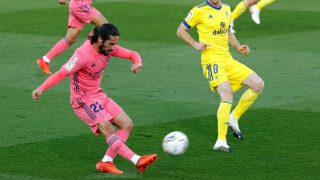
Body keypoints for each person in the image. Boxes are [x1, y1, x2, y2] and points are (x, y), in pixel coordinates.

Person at [32, 24, 157, 174]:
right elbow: (61, 73)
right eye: (111, 44)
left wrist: (137, 62)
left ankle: (106, 162)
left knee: (126, 124)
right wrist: (41, 88)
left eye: (115, 44)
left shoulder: (108, 49)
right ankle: (137, 160)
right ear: (100, 39)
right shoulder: (82, 55)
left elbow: (132, 53)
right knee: (108, 128)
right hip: (82, 101)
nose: (114, 47)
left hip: (98, 95)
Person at [177, 0, 264, 152]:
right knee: (227, 94)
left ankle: (233, 118)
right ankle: (221, 141)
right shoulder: (199, 10)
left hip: (228, 60)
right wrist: (195, 44)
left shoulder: (226, 8)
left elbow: (227, 31)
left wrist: (238, 46)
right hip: (211, 62)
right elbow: (181, 30)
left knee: (258, 84)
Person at [37, 0, 109, 74]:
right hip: (81, 5)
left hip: (79, 4)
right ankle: (86, 54)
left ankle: (45, 59)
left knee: (71, 38)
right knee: (105, 26)